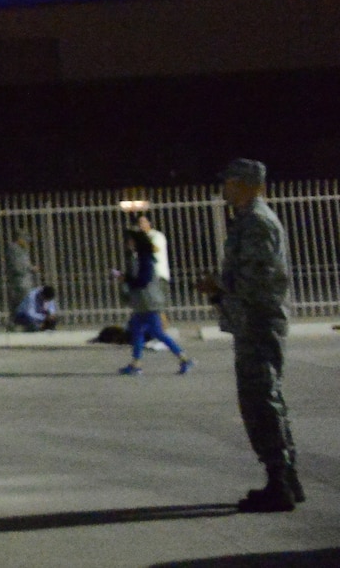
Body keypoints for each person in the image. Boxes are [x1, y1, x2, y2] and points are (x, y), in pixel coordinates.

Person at [198, 158, 301, 512]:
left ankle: (280, 483)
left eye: (229, 181)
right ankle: (286, 477)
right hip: (253, 322)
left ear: (246, 184)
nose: (224, 188)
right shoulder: (248, 221)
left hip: (257, 323)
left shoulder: (257, 222)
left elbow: (256, 283)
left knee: (260, 400)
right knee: (267, 397)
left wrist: (217, 292)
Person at [116, 214, 190, 376]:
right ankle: (136, 364)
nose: (128, 244)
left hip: (148, 302)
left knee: (157, 333)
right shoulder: (140, 258)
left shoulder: (145, 259)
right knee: (137, 331)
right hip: (143, 303)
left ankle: (184, 358)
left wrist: (126, 279)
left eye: (130, 241)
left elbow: (143, 280)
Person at [5, 231, 40, 326]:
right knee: (24, 302)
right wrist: (30, 268)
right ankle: (27, 324)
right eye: (25, 240)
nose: (27, 242)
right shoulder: (15, 250)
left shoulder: (21, 249)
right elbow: (17, 266)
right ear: (19, 239)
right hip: (19, 282)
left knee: (17, 304)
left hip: (23, 281)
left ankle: (14, 324)